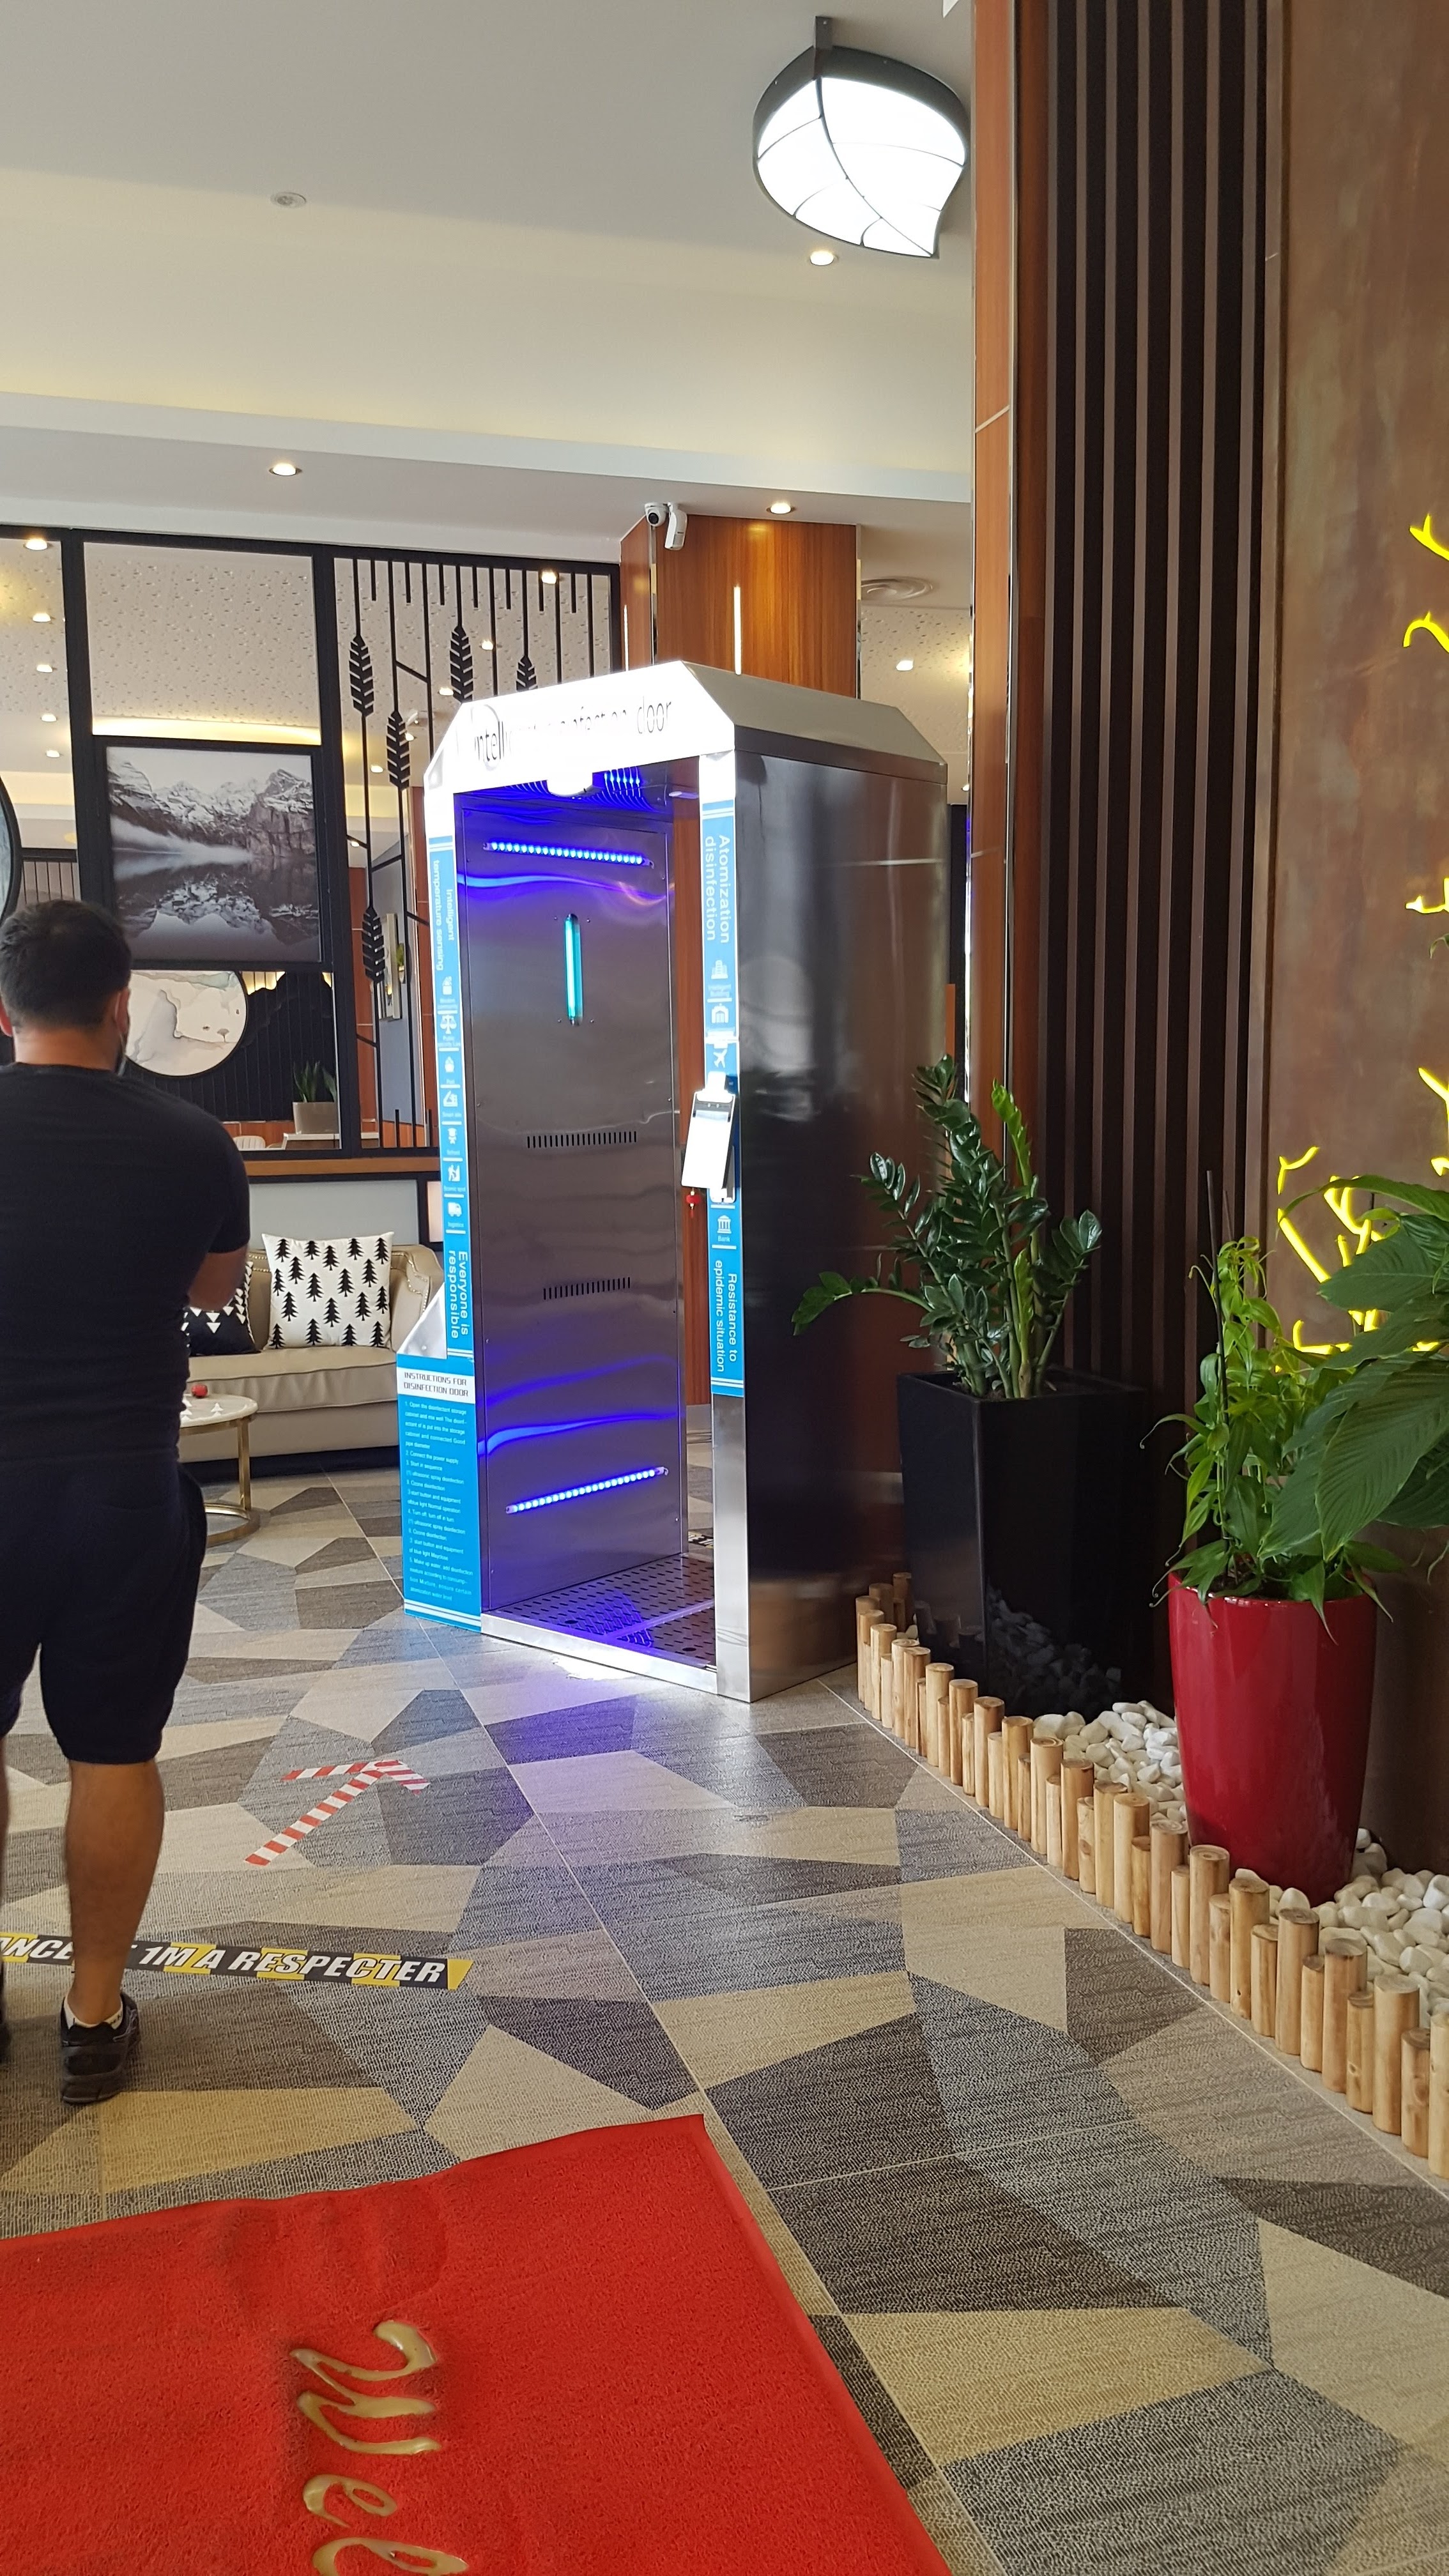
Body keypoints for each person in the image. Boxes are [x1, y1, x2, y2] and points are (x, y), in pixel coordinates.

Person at [0, 901, 249, 2104]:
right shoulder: (194, 1141)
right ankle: (92, 2018)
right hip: (123, 1490)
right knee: (112, 1750)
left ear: (4, 1012)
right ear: (122, 1005)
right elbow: (212, 1289)